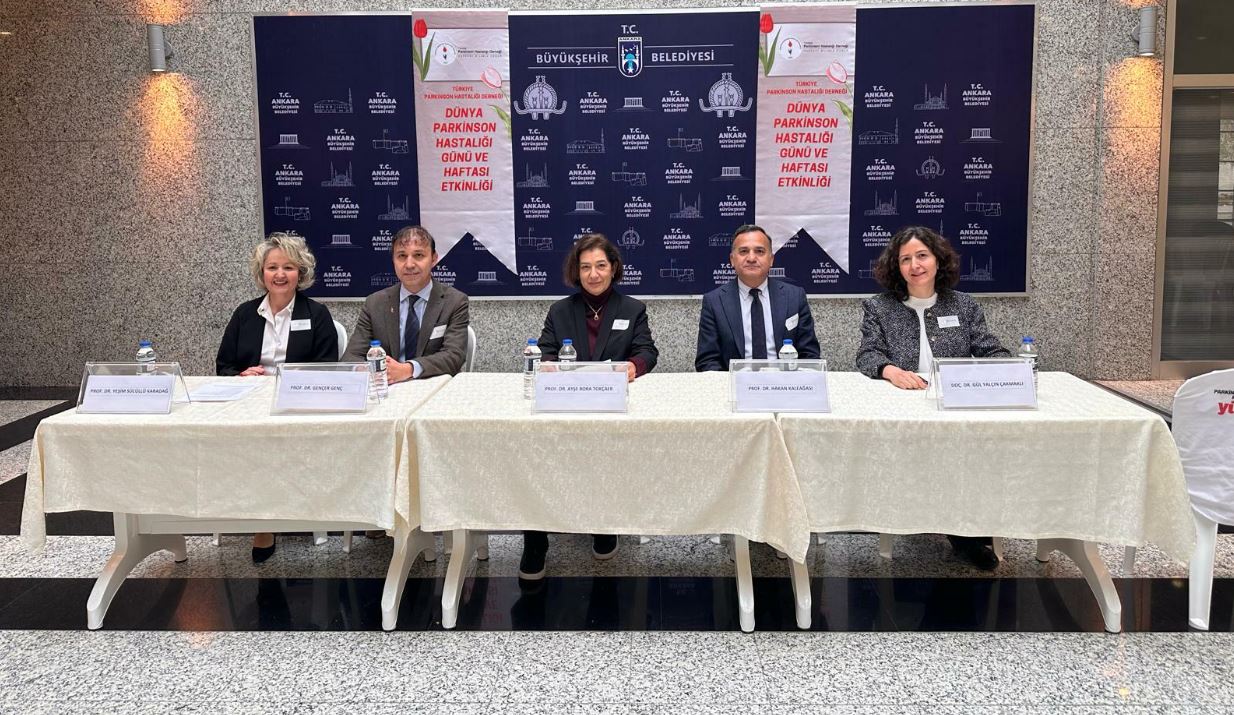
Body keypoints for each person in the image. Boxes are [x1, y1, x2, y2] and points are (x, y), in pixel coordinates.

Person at [855, 225, 1010, 570]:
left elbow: (989, 349)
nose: (915, 265)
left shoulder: (964, 305)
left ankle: (967, 525)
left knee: (973, 447)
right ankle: (963, 535)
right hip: (905, 411)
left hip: (954, 407)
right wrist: (891, 371)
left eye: (922, 256)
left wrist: (1011, 367)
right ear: (896, 266)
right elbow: (867, 354)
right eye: (905, 259)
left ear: (938, 260)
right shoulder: (879, 307)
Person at [519, 233, 659, 581]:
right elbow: (546, 352)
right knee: (534, 452)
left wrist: (633, 367)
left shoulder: (633, 309)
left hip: (610, 406)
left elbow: (647, 351)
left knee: (606, 448)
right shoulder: (560, 310)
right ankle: (535, 539)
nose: (593, 274)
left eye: (600, 266)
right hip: (567, 403)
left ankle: (604, 523)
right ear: (576, 272)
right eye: (585, 267)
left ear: (613, 268)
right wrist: (546, 364)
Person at [215, 232, 339, 562]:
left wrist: (290, 382)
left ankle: (272, 515)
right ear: (262, 273)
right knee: (249, 443)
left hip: (298, 406)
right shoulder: (244, 315)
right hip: (250, 405)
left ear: (301, 273)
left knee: (271, 443)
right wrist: (241, 376)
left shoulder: (316, 314)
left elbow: (328, 369)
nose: (280, 274)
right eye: (272, 267)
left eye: (288, 267)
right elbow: (223, 366)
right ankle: (263, 520)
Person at [343, 225, 469, 380]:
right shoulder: (375, 303)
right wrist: (367, 370)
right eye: (402, 256)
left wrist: (408, 369)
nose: (409, 264)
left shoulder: (455, 301)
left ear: (434, 259)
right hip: (387, 385)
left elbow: (454, 356)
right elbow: (351, 356)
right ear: (393, 260)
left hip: (434, 385)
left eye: (418, 255)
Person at [695, 224, 820, 371]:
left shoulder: (794, 297)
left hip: (784, 382)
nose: (751, 258)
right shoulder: (714, 302)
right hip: (735, 383)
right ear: (732, 259)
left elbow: (810, 355)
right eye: (743, 251)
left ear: (771, 259)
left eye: (759, 251)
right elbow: (707, 361)